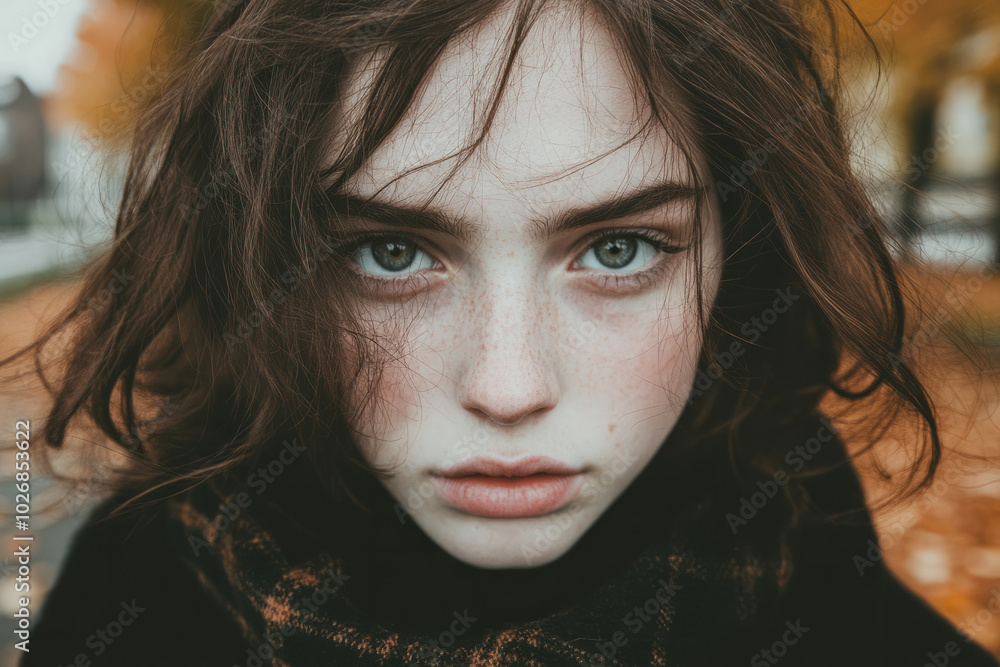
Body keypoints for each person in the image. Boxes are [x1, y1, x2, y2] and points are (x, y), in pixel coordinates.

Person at [7, 0, 999, 664]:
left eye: (617, 249)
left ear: (732, 262)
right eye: (390, 253)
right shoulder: (141, 592)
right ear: (267, 265)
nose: (509, 385)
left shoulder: (815, 578)